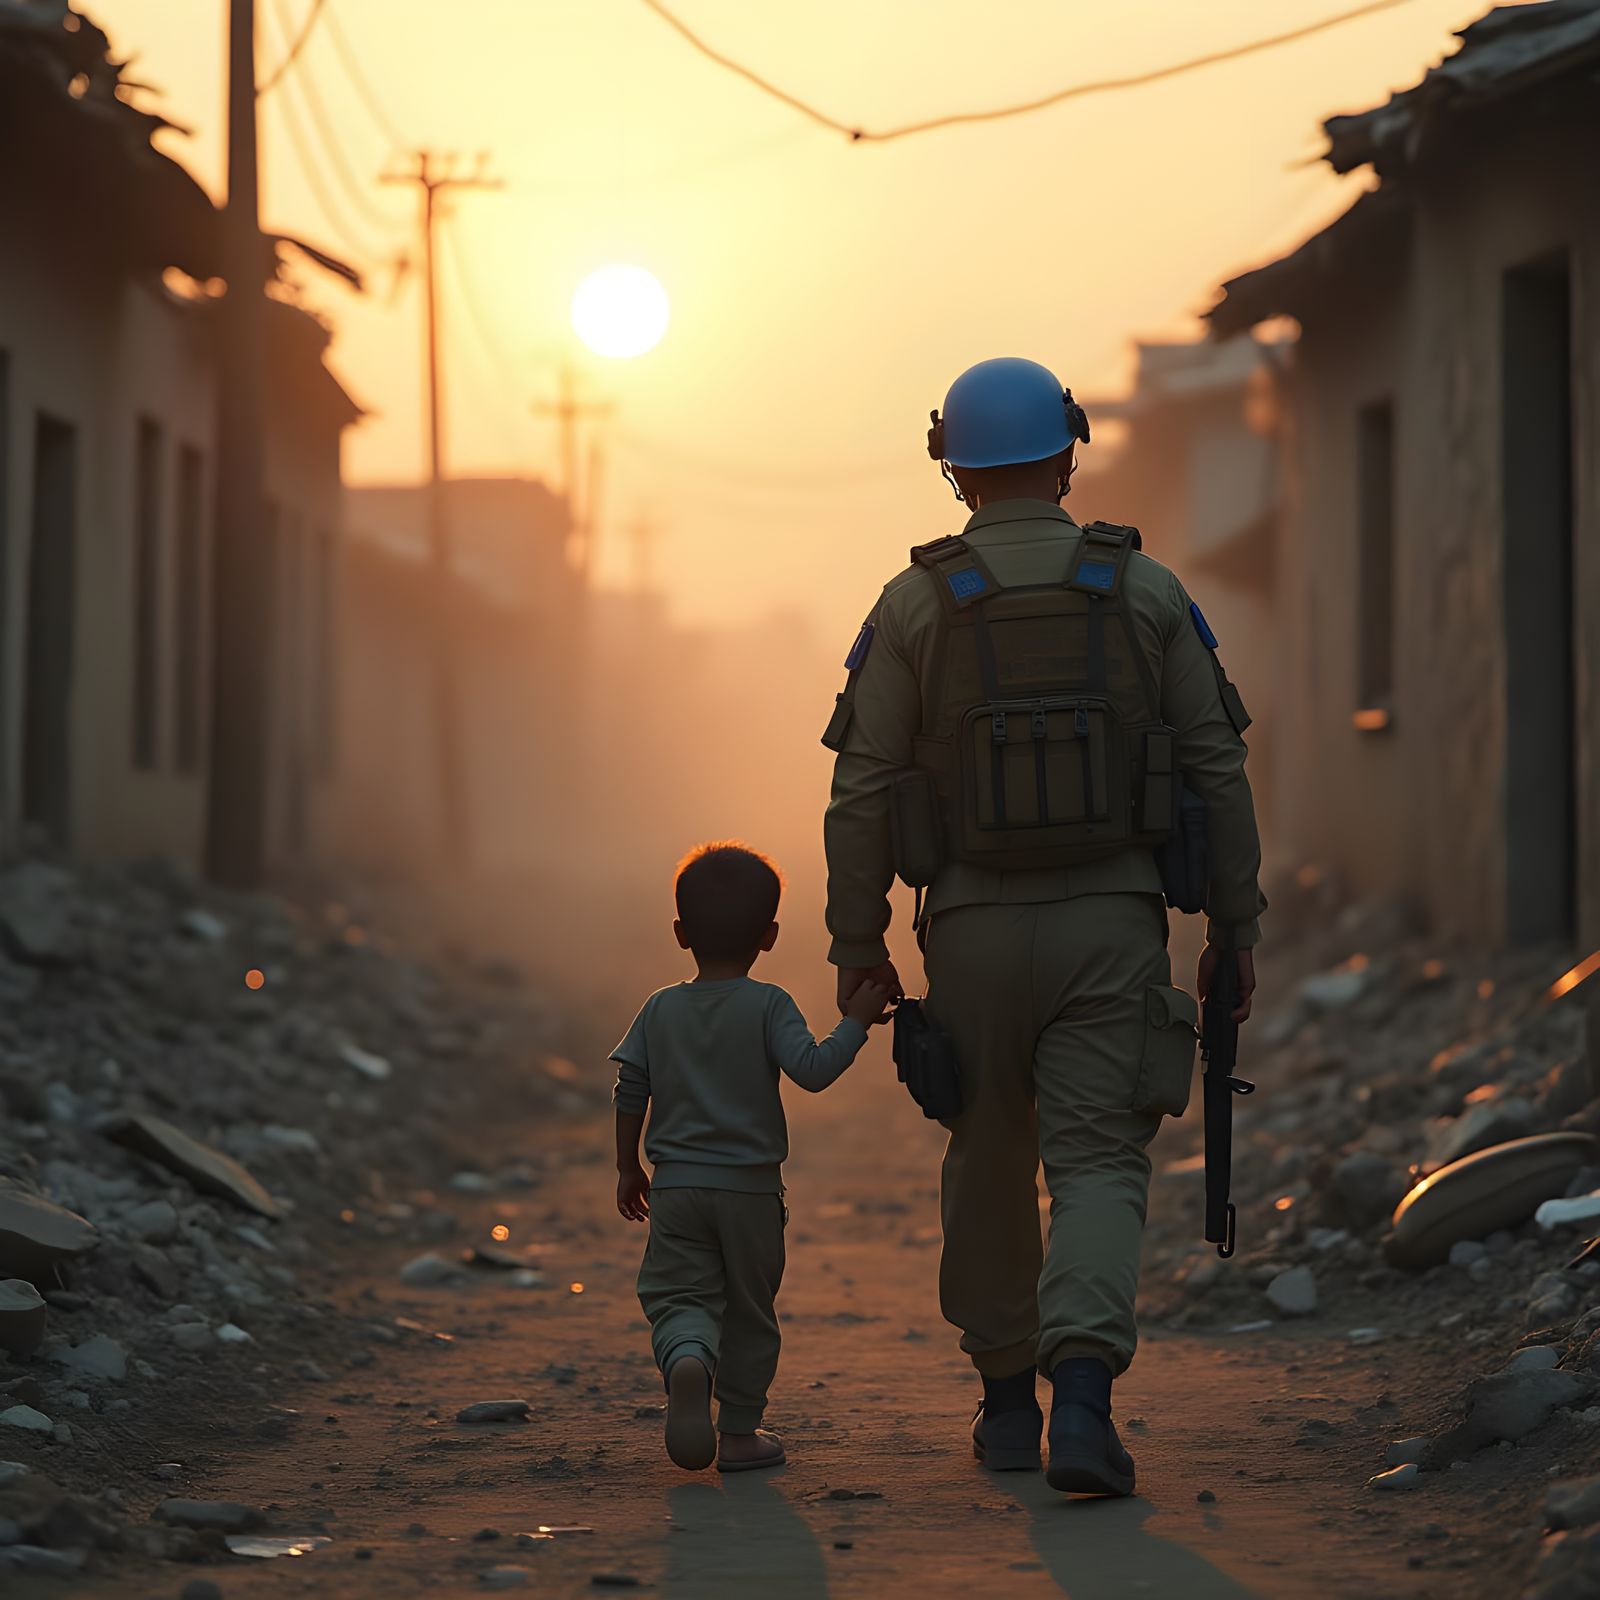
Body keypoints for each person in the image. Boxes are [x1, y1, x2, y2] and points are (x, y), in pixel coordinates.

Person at [822, 357, 1265, 1497]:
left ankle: (1006, 1406)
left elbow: (862, 787)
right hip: (1113, 926)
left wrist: (857, 943)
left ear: (952, 469)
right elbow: (1218, 765)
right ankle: (1082, 1405)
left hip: (965, 930)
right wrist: (1234, 923)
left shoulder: (912, 603)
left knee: (984, 1155)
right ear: (1069, 453)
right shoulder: (1146, 590)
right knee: (1100, 1159)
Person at [612, 841, 890, 1474]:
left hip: (677, 1191)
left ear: (680, 933)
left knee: (682, 1295)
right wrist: (858, 1021)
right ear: (769, 936)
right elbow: (814, 1071)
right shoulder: (769, 1004)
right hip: (752, 1194)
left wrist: (629, 1165)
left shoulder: (659, 1008)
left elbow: (630, 1086)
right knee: (749, 1310)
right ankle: (737, 1434)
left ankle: (687, 1358)